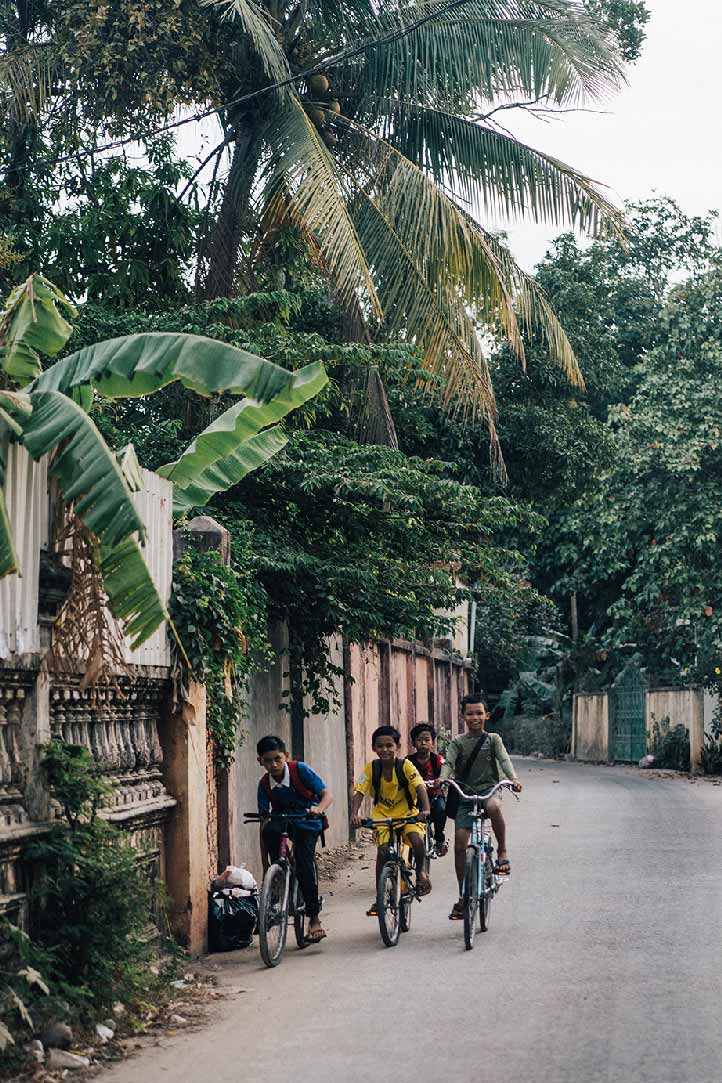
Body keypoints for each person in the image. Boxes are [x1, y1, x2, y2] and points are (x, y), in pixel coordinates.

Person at [440, 693, 522, 921]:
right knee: (459, 843)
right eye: (470, 713)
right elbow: (448, 763)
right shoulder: (457, 742)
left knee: (494, 807)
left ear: (486, 715)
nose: (474, 717)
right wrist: (442, 778)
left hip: (488, 790)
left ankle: (502, 850)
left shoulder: (493, 739)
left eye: (479, 713)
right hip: (465, 794)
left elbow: (504, 760)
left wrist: (513, 779)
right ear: (463, 716)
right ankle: (463, 894)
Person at [256, 735, 333, 943]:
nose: (273, 765)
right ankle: (279, 875)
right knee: (271, 830)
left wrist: (318, 809)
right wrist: (266, 865)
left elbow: (326, 794)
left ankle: (314, 918)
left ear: (286, 756)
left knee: (305, 862)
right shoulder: (264, 785)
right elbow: (263, 822)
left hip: (308, 820)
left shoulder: (300, 770)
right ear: (260, 761)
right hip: (283, 821)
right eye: (267, 761)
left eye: (277, 759)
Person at [350, 725, 432, 915]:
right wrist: (355, 813)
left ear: (398, 746)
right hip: (382, 817)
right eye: (380, 746)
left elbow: (419, 786)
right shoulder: (372, 768)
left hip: (407, 815)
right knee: (383, 852)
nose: (385, 750)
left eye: (389, 745)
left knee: (417, 841)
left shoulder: (405, 766)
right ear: (373, 748)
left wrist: (425, 809)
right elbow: (359, 791)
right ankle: (380, 896)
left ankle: (420, 873)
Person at [407, 722, 448, 857]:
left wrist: (442, 780)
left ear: (432, 743)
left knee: (441, 809)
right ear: (413, 743)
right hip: (415, 797)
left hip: (434, 796)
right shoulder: (408, 761)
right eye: (419, 740)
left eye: (427, 740)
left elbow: (446, 773)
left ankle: (439, 839)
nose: (423, 743)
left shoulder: (437, 760)